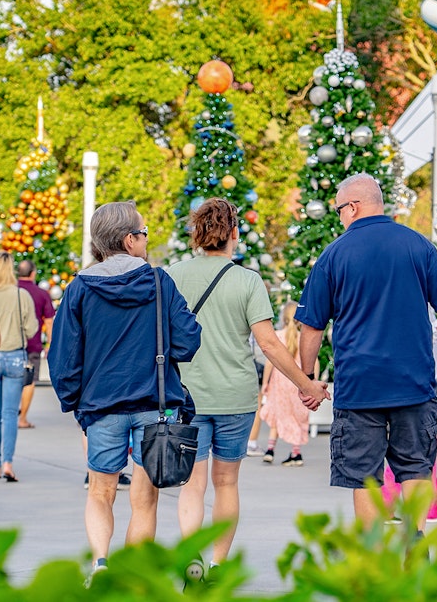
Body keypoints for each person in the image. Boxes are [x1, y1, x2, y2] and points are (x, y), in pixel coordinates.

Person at [296, 174, 437, 533]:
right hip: (414, 382)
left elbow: (311, 327)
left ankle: (372, 549)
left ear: (354, 206)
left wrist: (308, 378)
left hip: (359, 386)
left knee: (364, 475)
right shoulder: (419, 246)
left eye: (340, 210)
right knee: (416, 467)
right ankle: (416, 539)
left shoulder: (333, 254)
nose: (340, 218)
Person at [166, 197, 328, 572]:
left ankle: (193, 561)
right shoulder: (248, 280)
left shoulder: (173, 275)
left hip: (187, 395)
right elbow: (269, 343)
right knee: (226, 483)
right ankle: (219, 565)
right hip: (235, 397)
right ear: (234, 234)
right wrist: (307, 383)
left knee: (192, 484)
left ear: (196, 234)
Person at [49, 201, 201, 576]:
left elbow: (64, 355)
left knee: (100, 492)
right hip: (155, 403)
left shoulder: (80, 287)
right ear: (129, 239)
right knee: (144, 498)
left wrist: (74, 402)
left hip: (101, 406)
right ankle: (133, 575)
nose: (147, 241)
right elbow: (187, 342)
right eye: (145, 233)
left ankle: (101, 564)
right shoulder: (158, 281)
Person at [0, 251, 38, 482]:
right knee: (9, 414)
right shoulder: (20, 295)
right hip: (15, 356)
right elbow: (32, 328)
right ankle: (8, 463)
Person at [258, 301, 317, 466]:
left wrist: (265, 383)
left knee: (278, 414)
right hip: (298, 383)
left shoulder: (277, 336)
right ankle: (295, 453)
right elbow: (315, 361)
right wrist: (311, 382)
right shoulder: (303, 338)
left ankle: (270, 450)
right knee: (297, 417)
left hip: (280, 382)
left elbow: (270, 362)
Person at [16, 260, 55, 430]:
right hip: (33, 343)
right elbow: (49, 321)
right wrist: (49, 343)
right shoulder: (41, 293)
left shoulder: (11, 290)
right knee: (29, 381)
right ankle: (22, 418)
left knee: (10, 379)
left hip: (10, 343)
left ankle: (8, 414)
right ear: (33, 273)